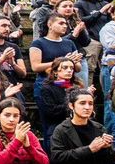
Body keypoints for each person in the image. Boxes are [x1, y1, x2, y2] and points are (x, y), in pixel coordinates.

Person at [29, 14, 81, 143]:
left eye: (66, 24)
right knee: (50, 126)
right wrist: (61, 61)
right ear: (50, 24)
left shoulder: (69, 43)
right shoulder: (39, 42)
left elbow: (78, 67)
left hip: (68, 84)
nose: (65, 26)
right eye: (61, 23)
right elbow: (35, 66)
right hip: (46, 84)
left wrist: (71, 62)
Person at [37, 56, 82, 152]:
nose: (69, 71)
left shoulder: (76, 87)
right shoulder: (47, 88)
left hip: (77, 129)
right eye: (65, 68)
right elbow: (51, 111)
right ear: (55, 71)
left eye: (71, 68)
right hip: (56, 129)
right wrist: (74, 103)